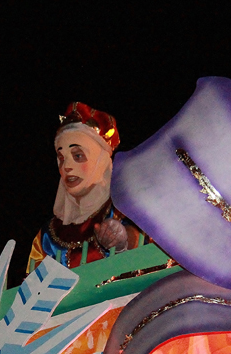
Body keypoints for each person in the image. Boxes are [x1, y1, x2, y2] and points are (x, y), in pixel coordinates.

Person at [27, 102, 144, 272]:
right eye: (61, 157)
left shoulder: (127, 208)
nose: (66, 166)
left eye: (78, 155)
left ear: (101, 161)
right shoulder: (47, 236)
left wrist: (126, 240)